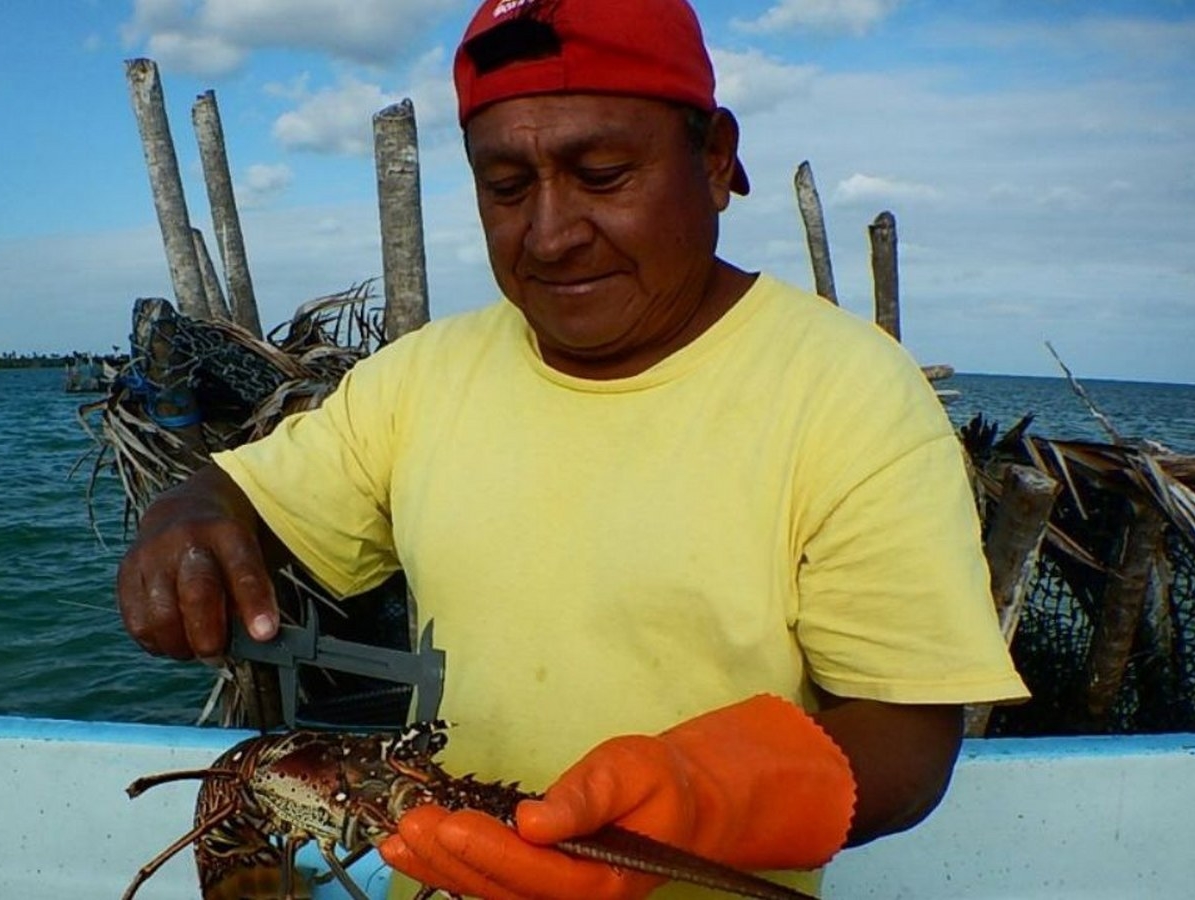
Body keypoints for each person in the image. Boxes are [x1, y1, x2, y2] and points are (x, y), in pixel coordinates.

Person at [116, 0, 1029, 896]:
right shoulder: (422, 376)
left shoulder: (851, 391)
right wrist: (188, 513)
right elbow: (242, 499)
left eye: (602, 173)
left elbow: (910, 740)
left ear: (714, 159)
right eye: (506, 187)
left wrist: (705, 798)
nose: (549, 234)